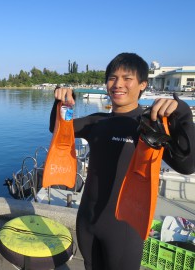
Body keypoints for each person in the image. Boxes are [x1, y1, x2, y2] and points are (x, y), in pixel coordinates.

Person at [50, 53, 195, 270]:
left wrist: (183, 116)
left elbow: (187, 166)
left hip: (125, 229)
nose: (118, 84)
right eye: (112, 78)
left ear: (142, 85)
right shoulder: (96, 121)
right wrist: (63, 104)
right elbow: (57, 129)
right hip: (87, 220)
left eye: (127, 78)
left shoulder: (150, 126)